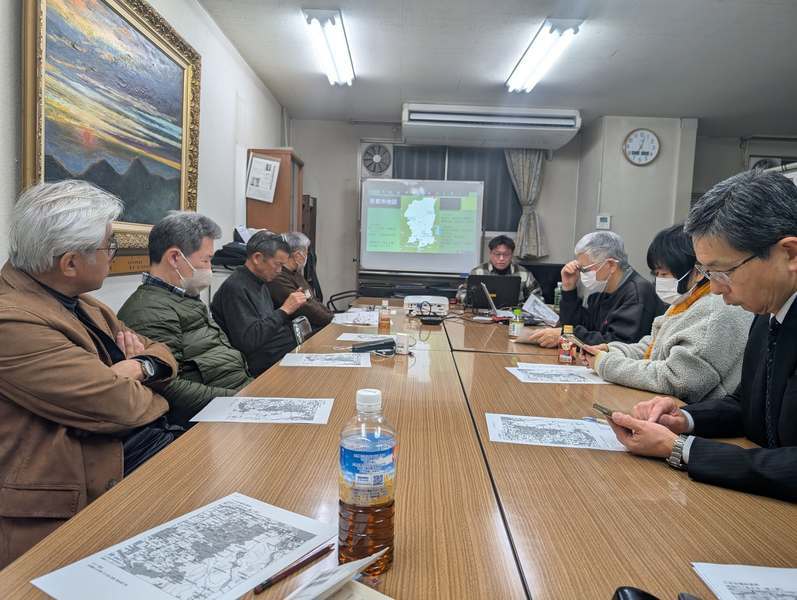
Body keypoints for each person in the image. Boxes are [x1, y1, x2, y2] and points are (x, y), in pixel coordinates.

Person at [0, 181, 178, 567]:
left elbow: (163, 354)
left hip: (137, 450)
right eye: (108, 245)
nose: (113, 254)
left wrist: (138, 366)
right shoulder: (11, 321)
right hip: (81, 492)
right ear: (69, 263)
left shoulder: (83, 302)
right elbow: (119, 405)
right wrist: (146, 382)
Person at [606, 170, 797, 502]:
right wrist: (684, 419)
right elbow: (747, 406)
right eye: (708, 273)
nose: (716, 289)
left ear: (789, 254)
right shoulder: (767, 312)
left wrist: (681, 448)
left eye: (724, 272)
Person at [582, 224, 752, 403]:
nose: (659, 281)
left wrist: (606, 363)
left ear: (698, 272)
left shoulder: (712, 311)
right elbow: (655, 347)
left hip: (695, 413)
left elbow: (676, 379)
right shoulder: (687, 300)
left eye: (664, 274)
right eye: (657, 274)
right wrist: (612, 350)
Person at [118, 212, 252, 427]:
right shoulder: (148, 311)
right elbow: (169, 388)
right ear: (174, 258)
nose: (209, 268)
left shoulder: (185, 298)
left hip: (240, 397)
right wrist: (243, 399)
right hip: (215, 418)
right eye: (206, 260)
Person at [527, 231, 665, 347]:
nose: (582, 274)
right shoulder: (602, 291)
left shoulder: (637, 293)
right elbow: (575, 326)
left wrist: (567, 335)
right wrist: (569, 288)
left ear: (611, 265)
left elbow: (617, 344)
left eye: (585, 269)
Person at [211, 232, 308, 376]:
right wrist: (285, 310)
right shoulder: (236, 288)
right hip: (259, 364)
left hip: (277, 353)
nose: (279, 271)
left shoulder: (261, 282)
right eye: (278, 264)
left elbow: (268, 324)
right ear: (257, 258)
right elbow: (249, 341)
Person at [267, 232, 332, 331]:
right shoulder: (279, 277)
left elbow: (312, 299)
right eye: (306, 253)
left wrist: (331, 315)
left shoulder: (295, 273)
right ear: (298, 255)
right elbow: (304, 308)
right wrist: (330, 319)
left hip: (316, 323)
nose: (307, 256)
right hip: (299, 329)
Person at [470, 235, 542, 302]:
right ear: (490, 254)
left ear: (512, 255)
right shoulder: (477, 272)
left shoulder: (524, 274)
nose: (501, 258)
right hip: (483, 310)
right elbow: (464, 296)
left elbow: (537, 298)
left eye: (506, 254)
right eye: (497, 254)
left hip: (515, 310)